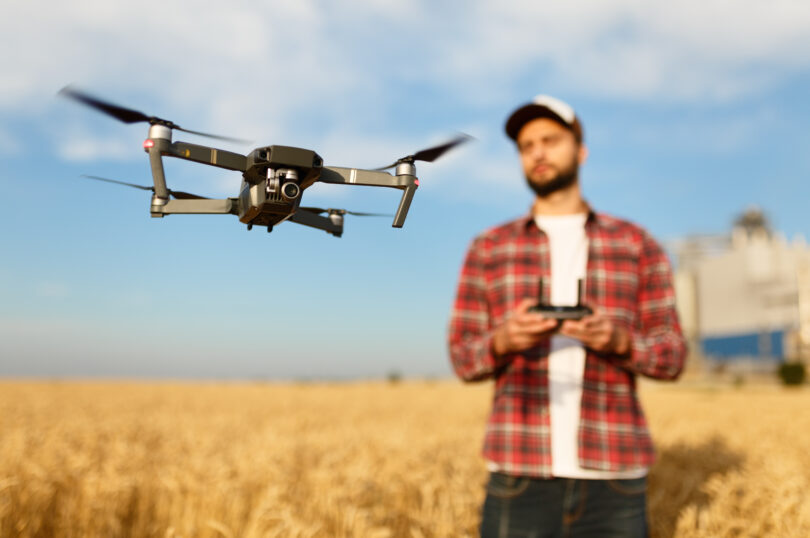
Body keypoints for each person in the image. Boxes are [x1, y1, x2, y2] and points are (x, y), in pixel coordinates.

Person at [447, 95, 687, 538]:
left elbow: (673, 356)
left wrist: (619, 340)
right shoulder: (489, 247)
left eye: (550, 140)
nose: (537, 151)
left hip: (615, 477)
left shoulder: (637, 244)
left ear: (581, 150)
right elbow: (463, 357)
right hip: (517, 473)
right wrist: (502, 340)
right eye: (526, 145)